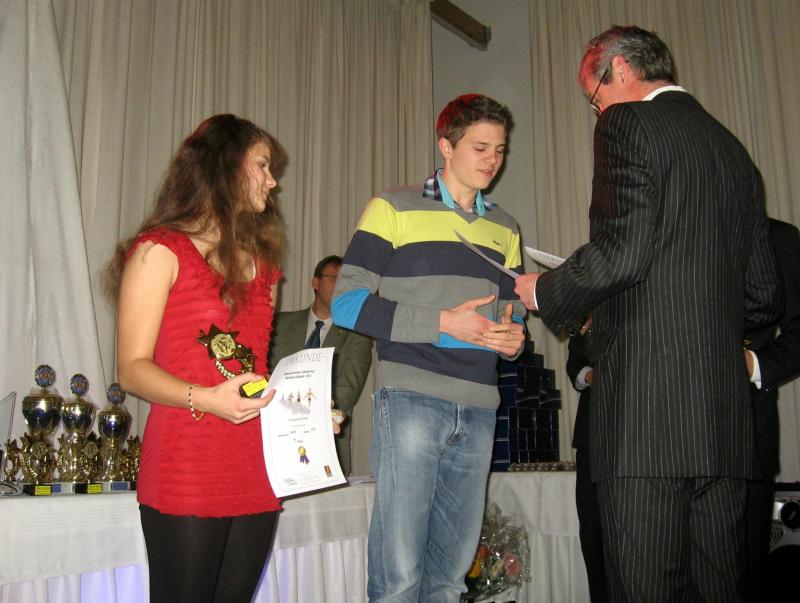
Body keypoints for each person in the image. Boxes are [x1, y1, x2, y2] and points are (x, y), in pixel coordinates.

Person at [514, 26, 783, 600]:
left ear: (618, 70)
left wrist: (547, 291)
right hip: (724, 425)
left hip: (645, 422)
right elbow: (764, 295)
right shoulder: (734, 152)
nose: (597, 112)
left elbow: (622, 252)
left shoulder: (626, 123)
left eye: (594, 98)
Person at [107, 114, 327, 603]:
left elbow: (253, 373)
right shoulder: (158, 251)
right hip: (186, 464)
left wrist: (304, 413)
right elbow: (132, 369)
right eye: (262, 165)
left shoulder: (264, 267)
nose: (272, 181)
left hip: (254, 465)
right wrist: (205, 398)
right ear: (225, 165)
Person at [332, 93, 526, 602]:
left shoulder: (506, 227)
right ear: (446, 145)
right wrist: (444, 324)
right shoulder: (392, 207)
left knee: (450, 578)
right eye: (480, 148)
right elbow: (346, 304)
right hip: (411, 397)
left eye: (500, 150)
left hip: (480, 405)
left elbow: (511, 313)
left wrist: (512, 338)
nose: (492, 160)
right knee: (399, 576)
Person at [269, 254, 373, 475]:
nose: (340, 286)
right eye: (333, 278)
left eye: (346, 282)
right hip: (275, 441)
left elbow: (346, 393)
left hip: (327, 446)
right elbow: (265, 376)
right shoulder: (279, 324)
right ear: (315, 282)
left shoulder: (358, 335)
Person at [744, 218, 800, 600]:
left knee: (745, 574)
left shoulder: (778, 237)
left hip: (749, 431)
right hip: (667, 440)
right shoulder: (670, 231)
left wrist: (753, 365)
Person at [566, 330, 608, 603]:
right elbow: (575, 364)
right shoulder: (586, 317)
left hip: (640, 435)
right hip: (592, 436)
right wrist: (591, 375)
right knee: (592, 532)